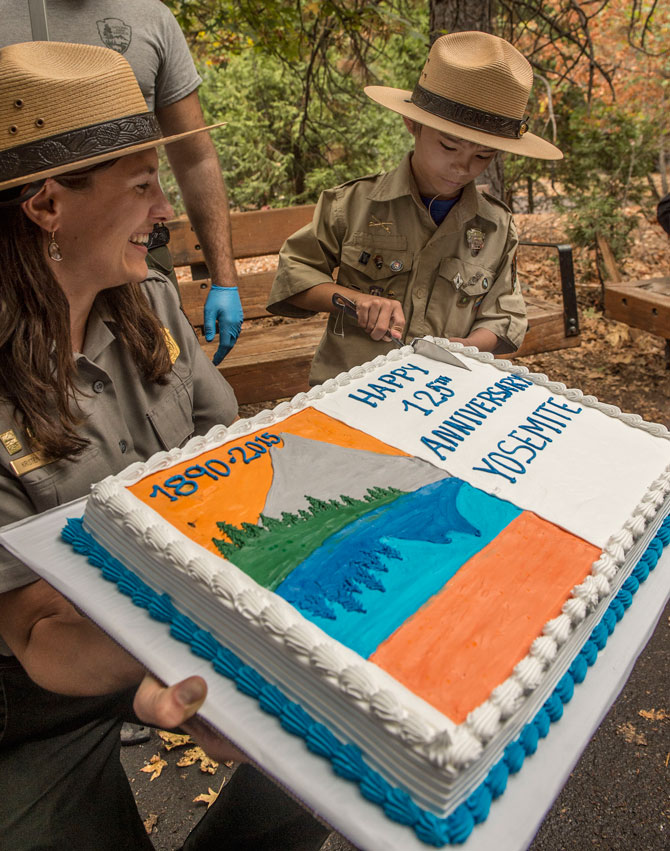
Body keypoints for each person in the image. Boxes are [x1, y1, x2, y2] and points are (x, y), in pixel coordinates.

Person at [0, 41, 329, 850]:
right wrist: (198, 643)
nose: (164, 209)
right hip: (34, 697)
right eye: (142, 185)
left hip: (172, 620)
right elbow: (40, 634)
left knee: (328, 773)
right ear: (48, 207)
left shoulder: (149, 301)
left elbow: (235, 454)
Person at [267, 31, 563, 385]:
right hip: (349, 388)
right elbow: (294, 275)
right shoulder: (354, 205)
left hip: (442, 393)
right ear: (413, 124)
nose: (463, 167)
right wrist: (353, 301)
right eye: (449, 146)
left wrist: (467, 347)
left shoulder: (495, 227)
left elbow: (504, 317)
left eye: (483, 155)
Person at [0, 0, 243, 365]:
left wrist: (224, 279)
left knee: (156, 376)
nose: (167, 209)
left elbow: (194, 155)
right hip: (15, 261)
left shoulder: (149, 16)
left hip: (132, 246)